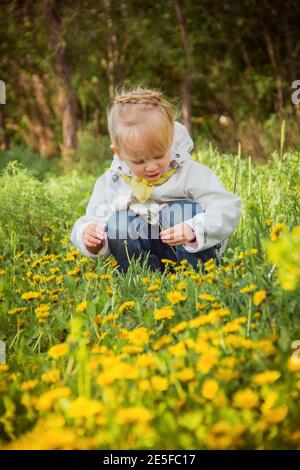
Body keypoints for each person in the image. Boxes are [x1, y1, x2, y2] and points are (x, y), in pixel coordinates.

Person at [70, 85, 242, 274]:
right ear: (119, 153)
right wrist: (90, 236)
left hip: (186, 248)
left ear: (170, 140)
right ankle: (142, 276)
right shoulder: (112, 183)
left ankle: (197, 274)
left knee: (181, 212)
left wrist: (195, 229)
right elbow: (92, 219)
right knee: (118, 223)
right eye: (140, 160)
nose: (152, 167)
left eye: (159, 155)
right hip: (144, 249)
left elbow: (227, 207)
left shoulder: (189, 173)